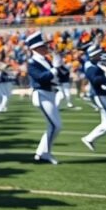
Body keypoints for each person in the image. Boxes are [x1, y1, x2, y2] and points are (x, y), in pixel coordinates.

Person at [26, 32, 60, 165]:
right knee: (55, 125)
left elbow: (57, 76)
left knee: (54, 126)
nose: (46, 48)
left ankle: (42, 153)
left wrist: (59, 66)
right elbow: (41, 77)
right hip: (41, 94)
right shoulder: (32, 62)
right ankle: (44, 154)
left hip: (50, 93)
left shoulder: (45, 60)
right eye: (43, 46)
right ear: (36, 48)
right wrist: (55, 69)